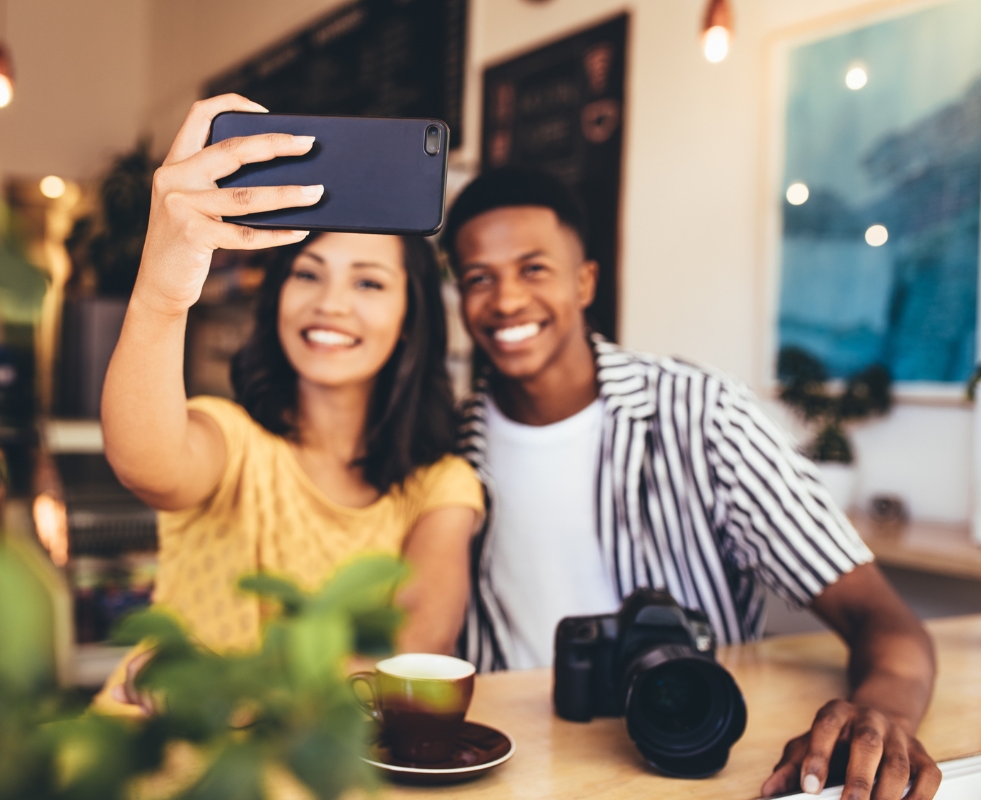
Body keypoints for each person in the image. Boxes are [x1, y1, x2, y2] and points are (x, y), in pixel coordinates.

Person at [443, 168, 940, 800]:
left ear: (585, 281)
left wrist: (884, 717)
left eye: (534, 268)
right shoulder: (447, 445)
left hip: (689, 772)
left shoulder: (700, 414)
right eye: (478, 279)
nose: (506, 300)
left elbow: (885, 622)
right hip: (511, 773)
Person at [94, 95, 484, 713]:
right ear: (276, 297)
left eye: (368, 282)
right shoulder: (233, 439)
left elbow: (413, 652)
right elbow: (144, 462)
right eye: (308, 273)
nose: (330, 303)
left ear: (412, 318)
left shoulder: (439, 487)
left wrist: (219, 692)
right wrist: (162, 294)